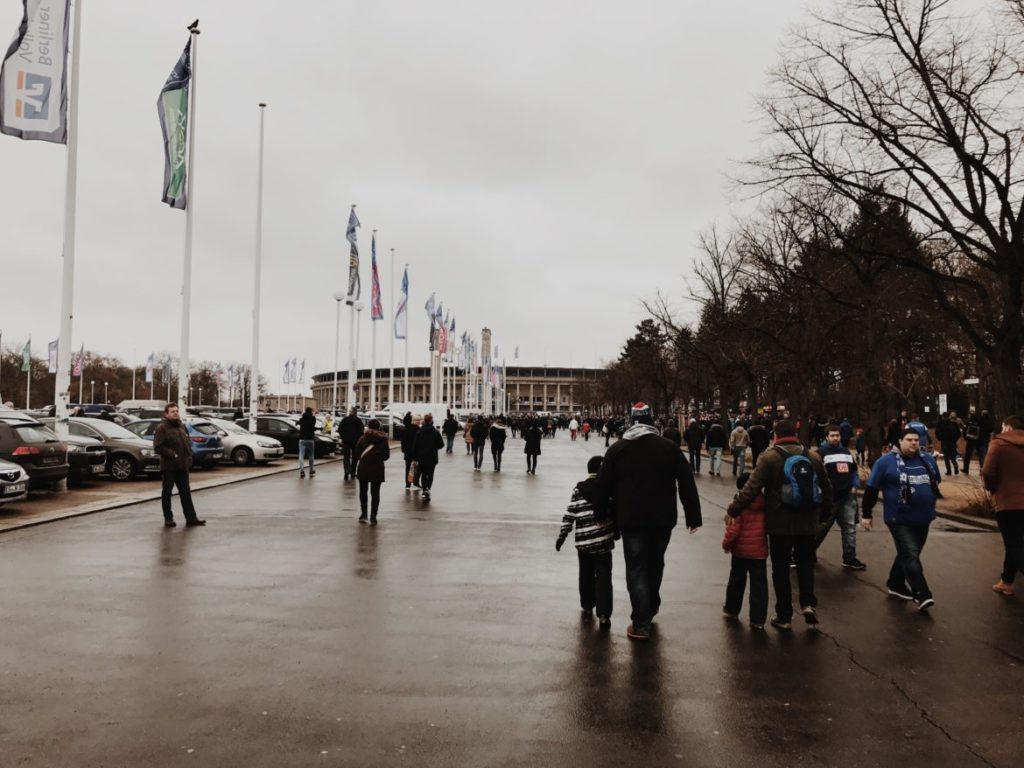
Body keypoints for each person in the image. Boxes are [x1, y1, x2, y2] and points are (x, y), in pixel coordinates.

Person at [596, 402, 701, 640]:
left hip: (631, 519)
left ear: (631, 420)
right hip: (662, 519)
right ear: (652, 421)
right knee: (656, 562)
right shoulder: (669, 448)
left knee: (636, 568)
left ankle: (641, 622)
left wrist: (601, 514)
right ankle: (651, 603)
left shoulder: (618, 449)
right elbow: (686, 483)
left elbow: (603, 485)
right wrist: (693, 516)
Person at [726, 419, 831, 630]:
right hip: (807, 523)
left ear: (775, 436)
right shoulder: (812, 457)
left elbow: (752, 488)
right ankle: (808, 603)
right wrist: (823, 517)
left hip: (779, 523)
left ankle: (784, 616)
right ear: (796, 434)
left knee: (780, 569)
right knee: (805, 564)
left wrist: (733, 509)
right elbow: (826, 488)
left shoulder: (769, 458)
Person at [862, 428, 941, 611]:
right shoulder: (886, 462)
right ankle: (921, 593)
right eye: (909, 439)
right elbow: (871, 489)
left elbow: (935, 481)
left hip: (923, 516)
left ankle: (896, 582)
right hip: (898, 517)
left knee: (909, 553)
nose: (913, 443)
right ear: (900, 441)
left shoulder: (926, 459)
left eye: (916, 440)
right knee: (910, 553)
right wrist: (866, 514)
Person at [556, 455, 616, 628]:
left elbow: (570, 512)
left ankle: (587, 605)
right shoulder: (608, 489)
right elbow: (615, 510)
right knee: (604, 577)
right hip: (603, 542)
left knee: (586, 575)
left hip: (583, 541)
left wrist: (563, 534)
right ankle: (604, 614)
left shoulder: (578, 489)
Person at [981, 415, 1024, 596]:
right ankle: (1006, 581)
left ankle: (1007, 581)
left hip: (1008, 501)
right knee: (1015, 544)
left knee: (1013, 543)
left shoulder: (998, 444)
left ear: (1007, 427)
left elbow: (987, 471)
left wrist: (993, 490)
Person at [812, 423, 865, 569]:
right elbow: (815, 476)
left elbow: (853, 470)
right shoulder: (820, 453)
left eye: (837, 435)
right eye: (833, 436)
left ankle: (849, 557)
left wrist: (855, 485)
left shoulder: (846, 452)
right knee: (822, 528)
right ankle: (809, 552)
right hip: (829, 498)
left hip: (847, 495)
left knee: (849, 527)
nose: (836, 438)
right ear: (827, 437)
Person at [722, 472, 768, 629]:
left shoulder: (738, 505)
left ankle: (732, 609)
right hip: (759, 552)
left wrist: (726, 545)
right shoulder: (764, 503)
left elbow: (733, 530)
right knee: (759, 586)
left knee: (736, 581)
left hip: (741, 551)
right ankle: (758, 619)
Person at [153, 403, 205, 528]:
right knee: (167, 493)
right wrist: (173, 455)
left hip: (182, 466)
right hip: (169, 466)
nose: (175, 413)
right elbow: (158, 447)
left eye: (177, 411)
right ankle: (168, 518)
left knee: (185, 492)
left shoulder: (181, 426)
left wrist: (189, 456)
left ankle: (191, 517)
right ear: (166, 414)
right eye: (172, 411)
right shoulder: (162, 428)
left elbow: (187, 443)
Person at [352, 418, 390, 525]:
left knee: (363, 492)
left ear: (368, 427)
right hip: (377, 468)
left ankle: (364, 514)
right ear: (379, 427)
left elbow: (356, 453)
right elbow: (386, 456)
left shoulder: (363, 438)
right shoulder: (383, 440)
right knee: (375, 493)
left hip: (364, 467)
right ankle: (373, 517)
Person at [411, 413, 444, 501]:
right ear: (431, 421)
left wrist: (414, 457)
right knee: (430, 474)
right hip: (432, 457)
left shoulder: (419, 432)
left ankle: (424, 489)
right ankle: (427, 489)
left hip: (421, 457)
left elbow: (415, 446)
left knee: (423, 474)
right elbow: (441, 444)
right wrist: (434, 447)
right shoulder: (435, 432)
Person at [338, 408, 365, 481]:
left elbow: (340, 429)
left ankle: (347, 470)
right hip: (355, 442)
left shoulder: (345, 419)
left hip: (346, 441)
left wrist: (343, 437)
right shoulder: (358, 420)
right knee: (355, 457)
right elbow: (361, 431)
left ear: (350, 413)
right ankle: (353, 472)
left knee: (346, 457)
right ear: (356, 413)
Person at [401, 416, 421, 491]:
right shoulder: (418, 430)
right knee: (415, 468)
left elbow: (403, 442)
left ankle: (408, 483)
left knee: (408, 467)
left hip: (408, 452)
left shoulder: (406, 430)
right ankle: (415, 482)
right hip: (416, 452)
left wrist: (403, 450)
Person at [298, 406, 317, 478]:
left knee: (301, 455)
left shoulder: (302, 419)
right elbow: (313, 426)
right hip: (310, 439)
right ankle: (311, 469)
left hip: (302, 439)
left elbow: (299, 423)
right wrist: (313, 415)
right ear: (310, 411)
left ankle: (302, 470)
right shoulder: (313, 419)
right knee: (311, 455)